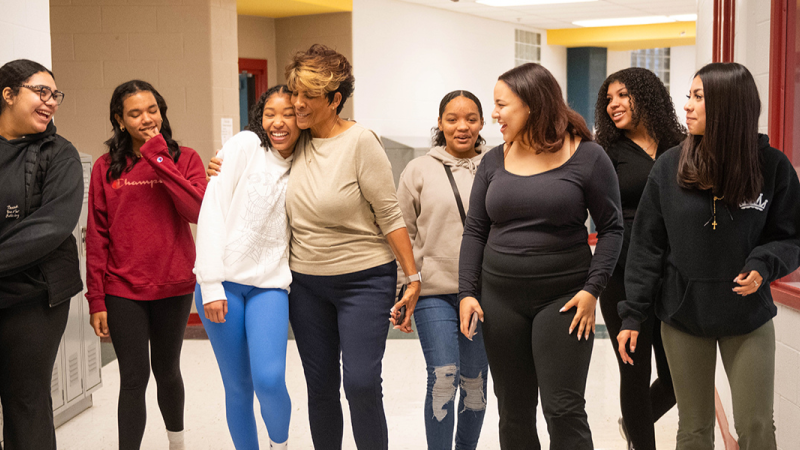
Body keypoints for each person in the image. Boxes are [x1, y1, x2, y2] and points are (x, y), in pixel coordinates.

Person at [617, 62, 800, 450]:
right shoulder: (669, 167)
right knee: (694, 429)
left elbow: (789, 236)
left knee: (756, 428)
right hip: (684, 315)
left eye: (698, 97)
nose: (688, 107)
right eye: (690, 96)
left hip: (747, 317)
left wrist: (763, 265)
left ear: (729, 105)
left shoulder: (773, 167)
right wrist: (633, 313)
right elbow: (647, 246)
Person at [458, 63, 624, 449]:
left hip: (564, 300)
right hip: (500, 300)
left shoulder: (588, 157)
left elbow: (613, 228)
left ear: (532, 104)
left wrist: (592, 290)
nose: (494, 114)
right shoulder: (494, 160)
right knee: (513, 411)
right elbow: (475, 230)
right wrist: (467, 291)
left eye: (502, 105)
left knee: (563, 409)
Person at [286, 44, 420, 450]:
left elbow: (390, 213)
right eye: (295, 93)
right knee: (320, 385)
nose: (297, 104)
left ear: (334, 100)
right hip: (306, 283)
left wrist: (411, 277)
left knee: (360, 382)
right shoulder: (292, 141)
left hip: (364, 280)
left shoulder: (361, 142)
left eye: (308, 95)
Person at [85, 80, 207, 450]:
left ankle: (177, 443)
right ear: (120, 121)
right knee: (133, 378)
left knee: (167, 371)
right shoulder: (106, 167)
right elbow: (97, 235)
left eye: (152, 110)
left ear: (162, 111)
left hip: (173, 284)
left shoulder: (185, 159)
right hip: (123, 288)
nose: (146, 119)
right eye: (135, 113)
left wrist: (158, 157)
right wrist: (96, 299)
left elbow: (197, 210)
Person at [194, 85, 300, 450]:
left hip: (269, 285)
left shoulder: (308, 158)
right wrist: (210, 285)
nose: (278, 122)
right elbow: (213, 211)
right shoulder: (244, 146)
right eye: (270, 112)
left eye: (288, 113)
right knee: (238, 386)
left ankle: (279, 444)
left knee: (269, 379)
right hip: (221, 283)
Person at [593, 67, 683, 450]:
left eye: (623, 95)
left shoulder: (681, 144)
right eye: (608, 98)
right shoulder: (604, 152)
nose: (613, 104)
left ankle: (633, 422)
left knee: (677, 375)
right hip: (621, 273)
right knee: (634, 370)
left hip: (674, 274)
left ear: (647, 96)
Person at [396, 90, 489, 450]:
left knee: (475, 381)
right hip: (434, 292)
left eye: (470, 119)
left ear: (482, 123)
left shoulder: (498, 163)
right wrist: (404, 289)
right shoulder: (418, 169)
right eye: (452, 119)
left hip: (482, 293)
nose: (461, 127)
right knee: (443, 376)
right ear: (440, 123)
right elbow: (401, 231)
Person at [0, 59, 83, 450]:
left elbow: (52, 225)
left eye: (55, 95)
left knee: (26, 400)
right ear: (8, 94)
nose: (51, 101)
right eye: (41, 91)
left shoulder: (60, 154)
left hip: (35, 296)